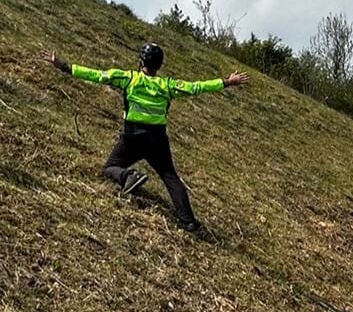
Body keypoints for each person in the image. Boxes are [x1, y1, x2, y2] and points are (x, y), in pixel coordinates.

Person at [44, 41, 246, 232]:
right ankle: (188, 221)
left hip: (132, 136)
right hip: (157, 139)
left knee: (110, 167)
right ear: (159, 65)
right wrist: (227, 82)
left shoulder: (128, 78)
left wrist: (64, 66)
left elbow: (97, 75)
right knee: (170, 177)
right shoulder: (168, 85)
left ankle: (129, 176)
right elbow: (196, 87)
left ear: (141, 61)